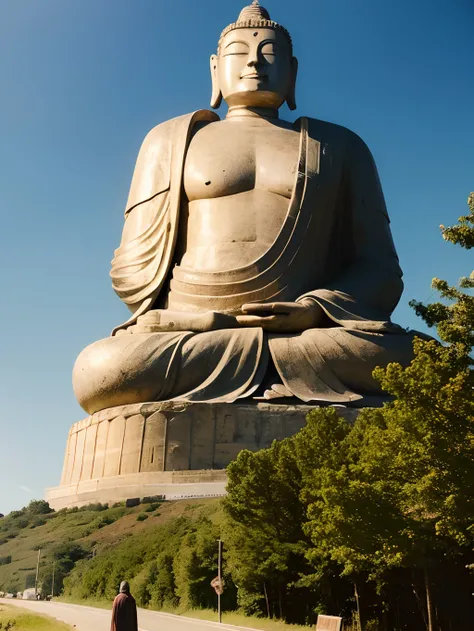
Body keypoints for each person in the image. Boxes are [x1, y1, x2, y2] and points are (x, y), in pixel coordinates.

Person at [73, 1, 424, 414]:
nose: (254, 64)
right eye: (239, 53)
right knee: (103, 369)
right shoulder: (169, 141)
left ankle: (258, 356)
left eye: (270, 54)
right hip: (192, 326)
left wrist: (312, 311)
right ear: (214, 69)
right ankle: (242, 349)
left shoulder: (340, 147)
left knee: (419, 362)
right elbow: (133, 271)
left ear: (292, 73)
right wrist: (198, 318)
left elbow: (379, 269)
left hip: (306, 335)